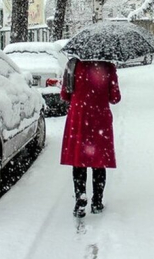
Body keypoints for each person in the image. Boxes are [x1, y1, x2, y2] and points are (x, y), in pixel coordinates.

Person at [60, 58, 121, 218]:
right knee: (99, 160)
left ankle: (80, 200)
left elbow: (65, 94)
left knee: (79, 159)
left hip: (79, 117)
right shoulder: (108, 67)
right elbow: (115, 98)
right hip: (99, 118)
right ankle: (97, 202)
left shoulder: (73, 64)